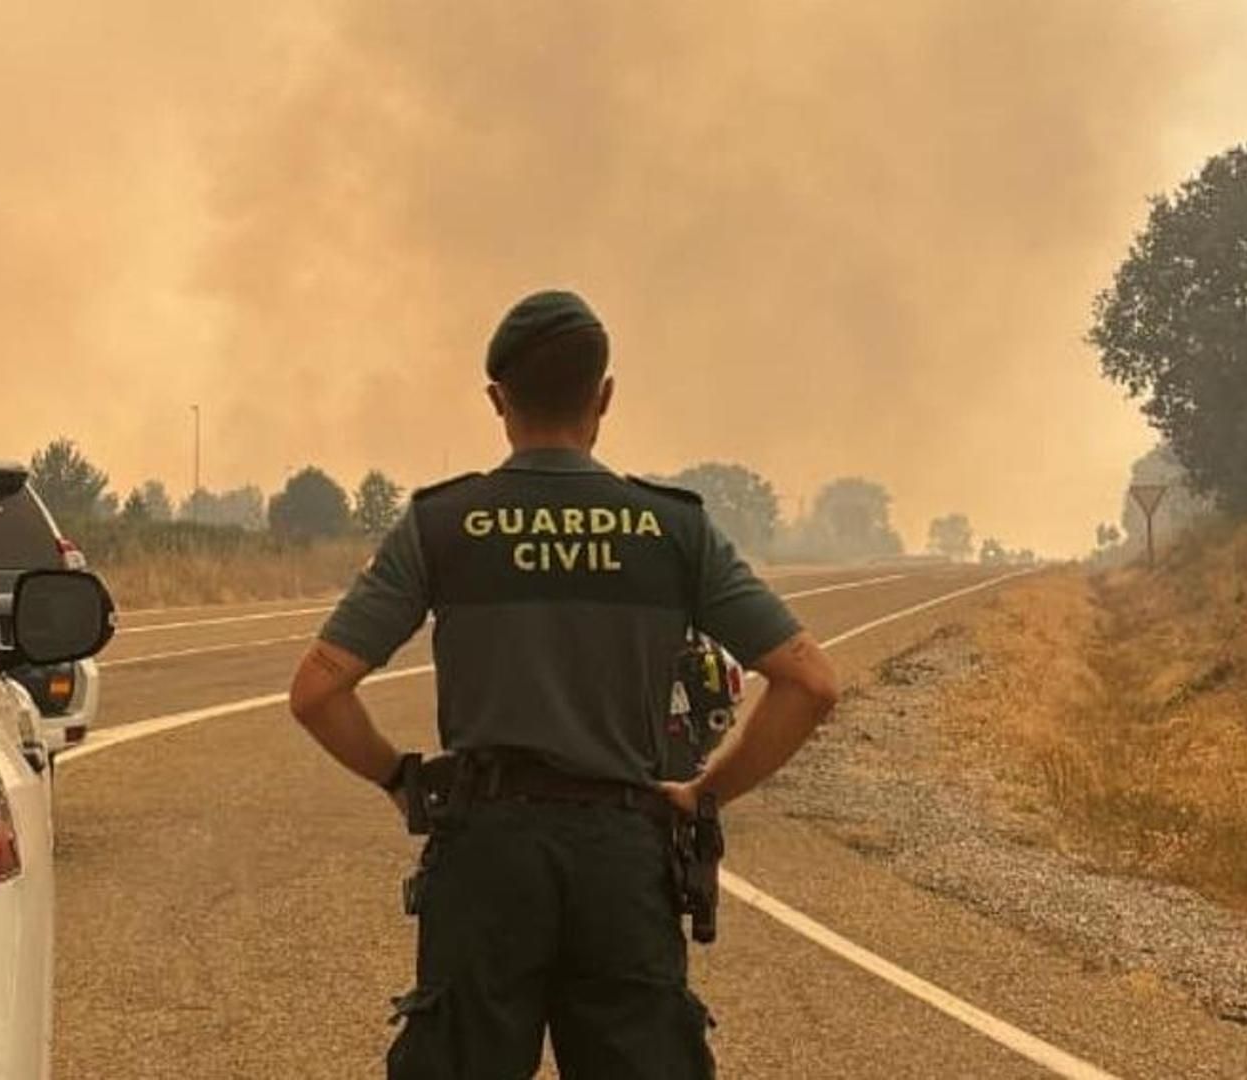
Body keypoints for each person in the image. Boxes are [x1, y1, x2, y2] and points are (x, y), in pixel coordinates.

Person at [286, 289, 841, 1079]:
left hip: (486, 855)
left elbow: (316, 692)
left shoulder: (442, 525)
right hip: (623, 856)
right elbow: (809, 682)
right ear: (603, 398)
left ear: (498, 401)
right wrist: (703, 794)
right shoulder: (672, 528)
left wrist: (402, 781)